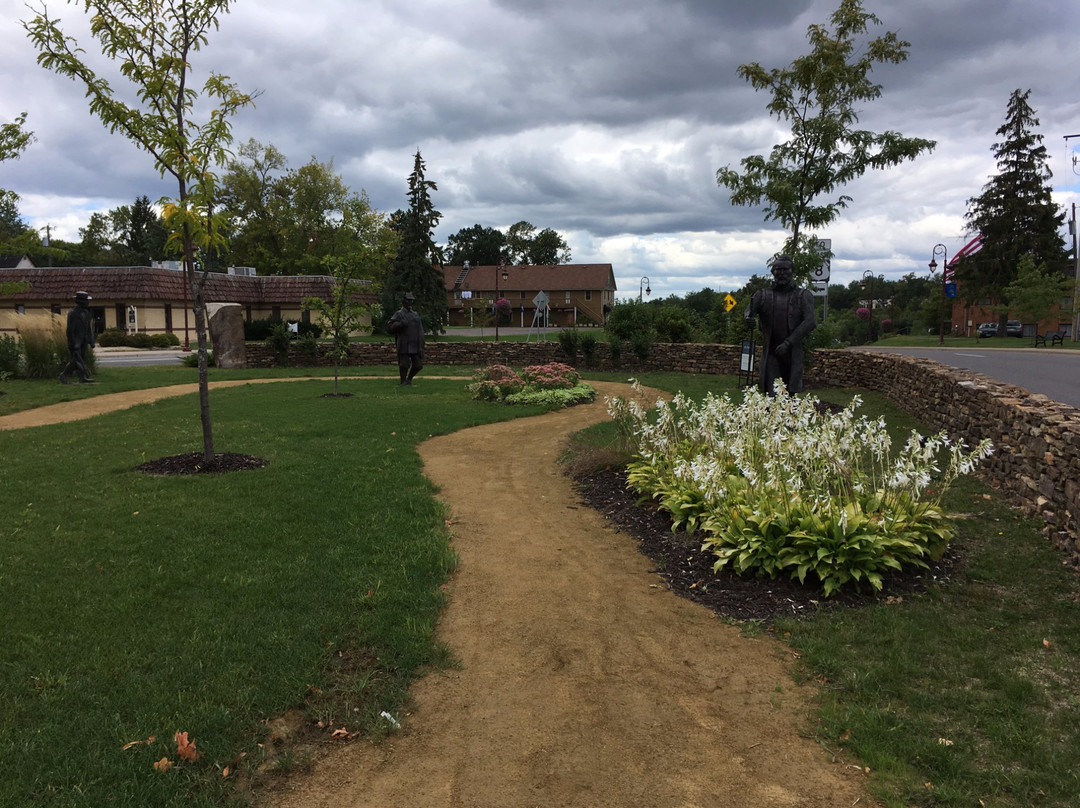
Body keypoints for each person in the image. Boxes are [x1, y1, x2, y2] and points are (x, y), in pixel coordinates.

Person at [743, 255, 816, 395]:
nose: (782, 273)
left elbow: (810, 321)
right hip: (772, 353)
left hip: (792, 353)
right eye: (778, 269)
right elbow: (749, 310)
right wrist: (748, 318)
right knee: (773, 394)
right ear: (773, 272)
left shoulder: (803, 295)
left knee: (790, 394)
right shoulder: (763, 295)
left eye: (785, 269)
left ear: (791, 271)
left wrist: (788, 343)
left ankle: (789, 417)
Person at [387, 292, 425, 386]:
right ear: (403, 301)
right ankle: (403, 381)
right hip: (403, 343)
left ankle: (409, 380)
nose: (410, 302)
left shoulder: (415, 315)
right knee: (404, 365)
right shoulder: (399, 314)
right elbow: (389, 328)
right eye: (408, 300)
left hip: (414, 344)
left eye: (411, 300)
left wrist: (421, 345)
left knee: (418, 365)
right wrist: (400, 324)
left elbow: (420, 331)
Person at [59, 290, 96, 385]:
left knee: (80, 360)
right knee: (76, 361)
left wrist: (91, 341)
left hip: (84, 340)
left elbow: (88, 328)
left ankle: (82, 378)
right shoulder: (73, 313)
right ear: (81, 301)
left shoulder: (87, 313)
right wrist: (72, 343)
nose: (88, 302)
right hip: (76, 342)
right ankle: (63, 375)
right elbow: (70, 330)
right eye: (86, 301)